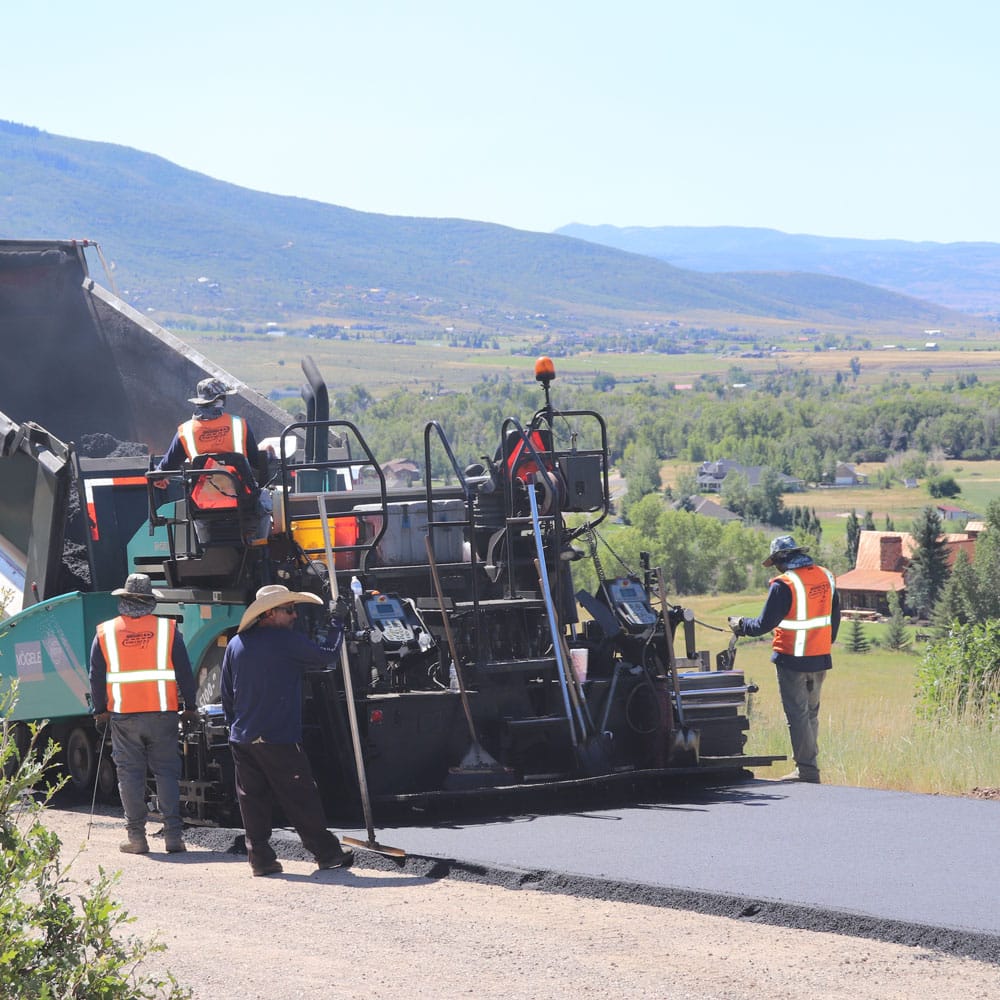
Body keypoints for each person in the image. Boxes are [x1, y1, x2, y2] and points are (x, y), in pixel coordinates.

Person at [220, 585, 354, 877]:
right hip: (277, 736)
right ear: (269, 613)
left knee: (252, 800)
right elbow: (328, 655)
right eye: (289, 610)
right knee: (300, 795)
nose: (295, 616)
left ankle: (261, 859)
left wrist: (237, 726)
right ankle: (327, 853)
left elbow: (227, 695)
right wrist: (337, 622)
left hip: (243, 737)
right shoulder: (285, 641)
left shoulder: (236, 644)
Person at [89, 573, 198, 854]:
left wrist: (100, 712)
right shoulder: (168, 631)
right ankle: (174, 837)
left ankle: (137, 838)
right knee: (166, 774)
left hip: (124, 716)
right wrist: (191, 707)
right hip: (163, 713)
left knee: (129, 776)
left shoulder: (104, 632)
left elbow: (96, 677)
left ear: (123, 601)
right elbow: (185, 673)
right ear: (150, 603)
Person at [728, 535, 840, 784]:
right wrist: (823, 645)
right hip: (820, 657)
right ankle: (809, 766)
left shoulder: (784, 584)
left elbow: (763, 624)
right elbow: (835, 619)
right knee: (811, 713)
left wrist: (740, 624)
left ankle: (807, 771)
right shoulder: (826, 576)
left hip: (792, 660)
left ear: (781, 559)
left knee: (798, 715)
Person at [154, 377, 272, 538]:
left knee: (197, 513)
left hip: (204, 505)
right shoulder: (239, 425)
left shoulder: (185, 431)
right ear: (221, 400)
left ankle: (207, 548)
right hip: (242, 500)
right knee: (266, 499)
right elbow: (256, 463)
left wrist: (160, 477)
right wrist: (268, 453)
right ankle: (259, 547)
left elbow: (164, 469)